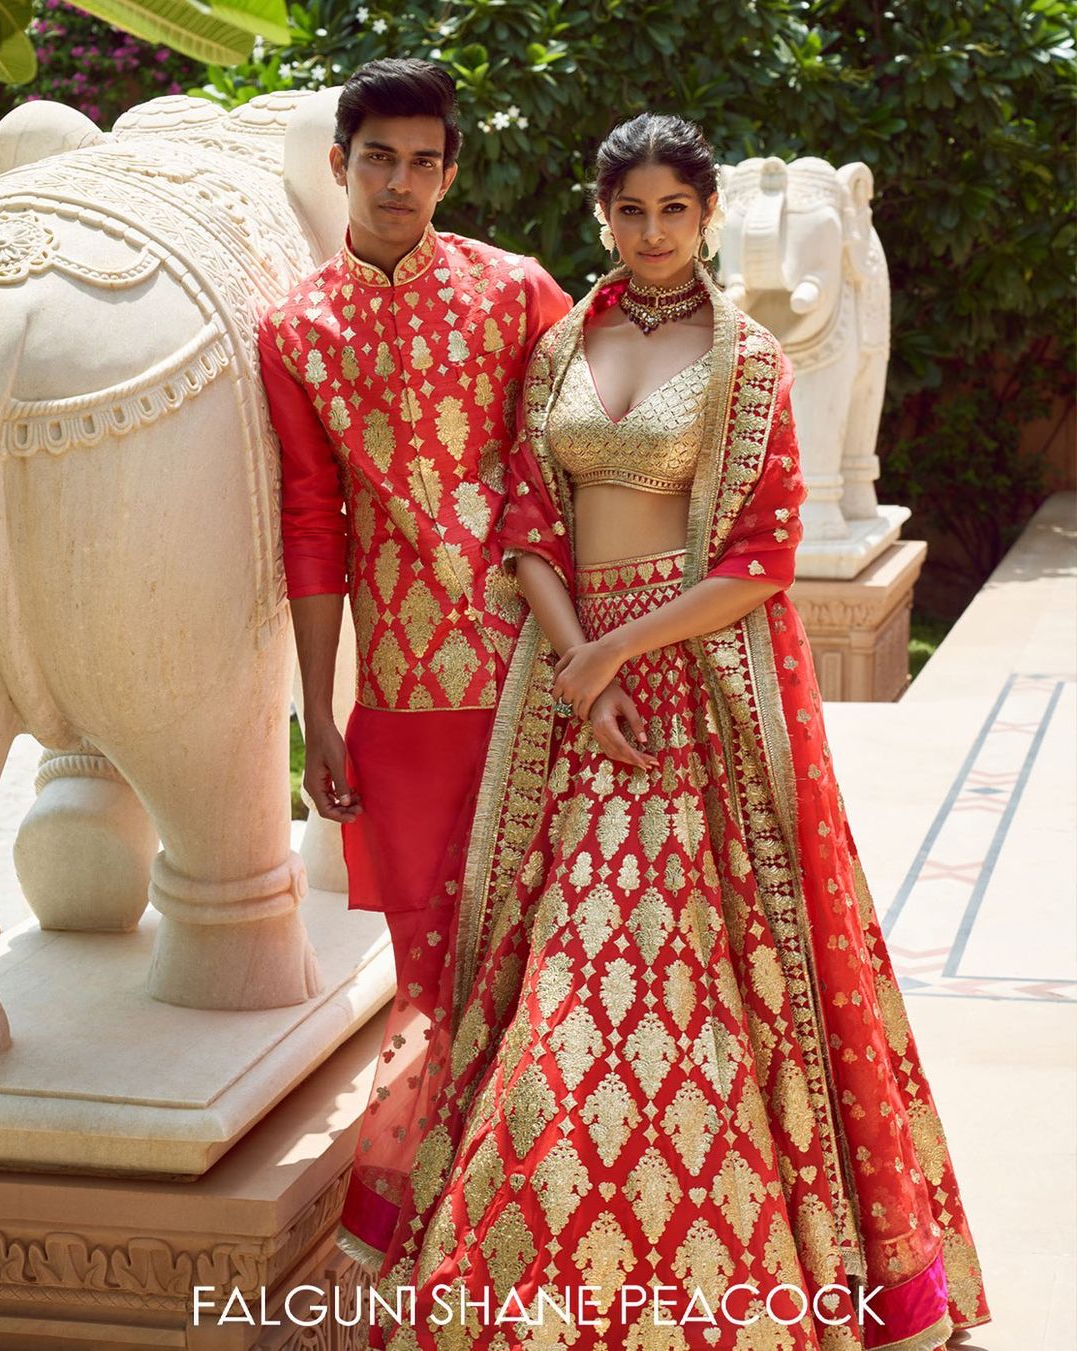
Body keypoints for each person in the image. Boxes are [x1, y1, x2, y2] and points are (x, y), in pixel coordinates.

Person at [348, 113, 991, 1350]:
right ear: (602, 215)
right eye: (630, 212)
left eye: (674, 212)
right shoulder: (561, 348)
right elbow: (528, 527)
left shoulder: (746, 357)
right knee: (561, 981)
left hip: (695, 693)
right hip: (574, 690)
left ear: (707, 216)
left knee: (695, 975)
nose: (651, 234)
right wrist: (580, 666)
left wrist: (614, 655)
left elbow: (761, 559)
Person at [256, 58, 571, 1267]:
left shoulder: (516, 293)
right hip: (406, 693)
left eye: (423, 161)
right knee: (433, 968)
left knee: (553, 953)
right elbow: (312, 521)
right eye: (378, 157)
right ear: (340, 163)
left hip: (543, 671)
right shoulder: (298, 330)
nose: (400, 181)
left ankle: (538, 1223)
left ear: (451, 171)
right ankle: (427, 1232)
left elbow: (588, 462)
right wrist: (319, 711)